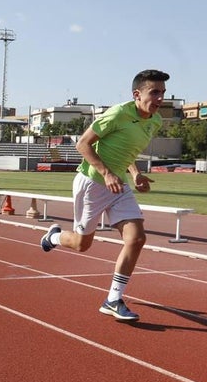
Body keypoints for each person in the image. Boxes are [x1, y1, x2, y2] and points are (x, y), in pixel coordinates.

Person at [39, 69, 171, 323]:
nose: (160, 98)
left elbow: (127, 150)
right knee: (81, 244)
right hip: (92, 183)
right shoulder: (118, 114)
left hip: (118, 185)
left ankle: (113, 299)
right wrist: (106, 173)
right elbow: (82, 144)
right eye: (154, 92)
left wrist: (135, 174)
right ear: (137, 94)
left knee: (137, 238)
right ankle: (53, 236)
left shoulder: (154, 121)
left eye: (163, 93)